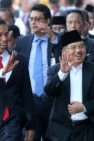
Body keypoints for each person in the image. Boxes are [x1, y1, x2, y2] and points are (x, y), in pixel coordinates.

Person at [44, 30, 94, 141]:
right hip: (62, 130)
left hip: (89, 129)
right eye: (73, 47)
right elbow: (49, 92)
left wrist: (85, 107)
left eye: (81, 47)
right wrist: (62, 74)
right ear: (64, 52)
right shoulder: (55, 70)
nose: (78, 51)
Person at [14, 4, 62, 141]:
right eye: (31, 19)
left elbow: (65, 57)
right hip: (31, 100)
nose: (33, 22)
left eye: (38, 19)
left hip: (53, 99)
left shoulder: (58, 40)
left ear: (47, 21)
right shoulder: (23, 42)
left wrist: (52, 37)